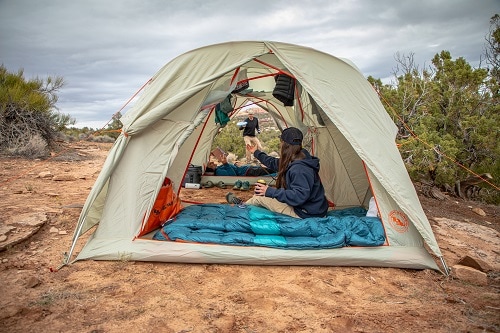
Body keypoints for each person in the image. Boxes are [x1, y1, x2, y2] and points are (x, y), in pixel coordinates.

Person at [227, 127, 328, 219]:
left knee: (258, 198)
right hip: (311, 208)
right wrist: (256, 152)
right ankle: (244, 205)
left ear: (285, 144)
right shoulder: (297, 157)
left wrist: (270, 191)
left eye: (281, 141)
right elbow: (273, 162)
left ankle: (239, 209)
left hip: (307, 213)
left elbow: (299, 196)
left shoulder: (299, 169)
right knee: (262, 197)